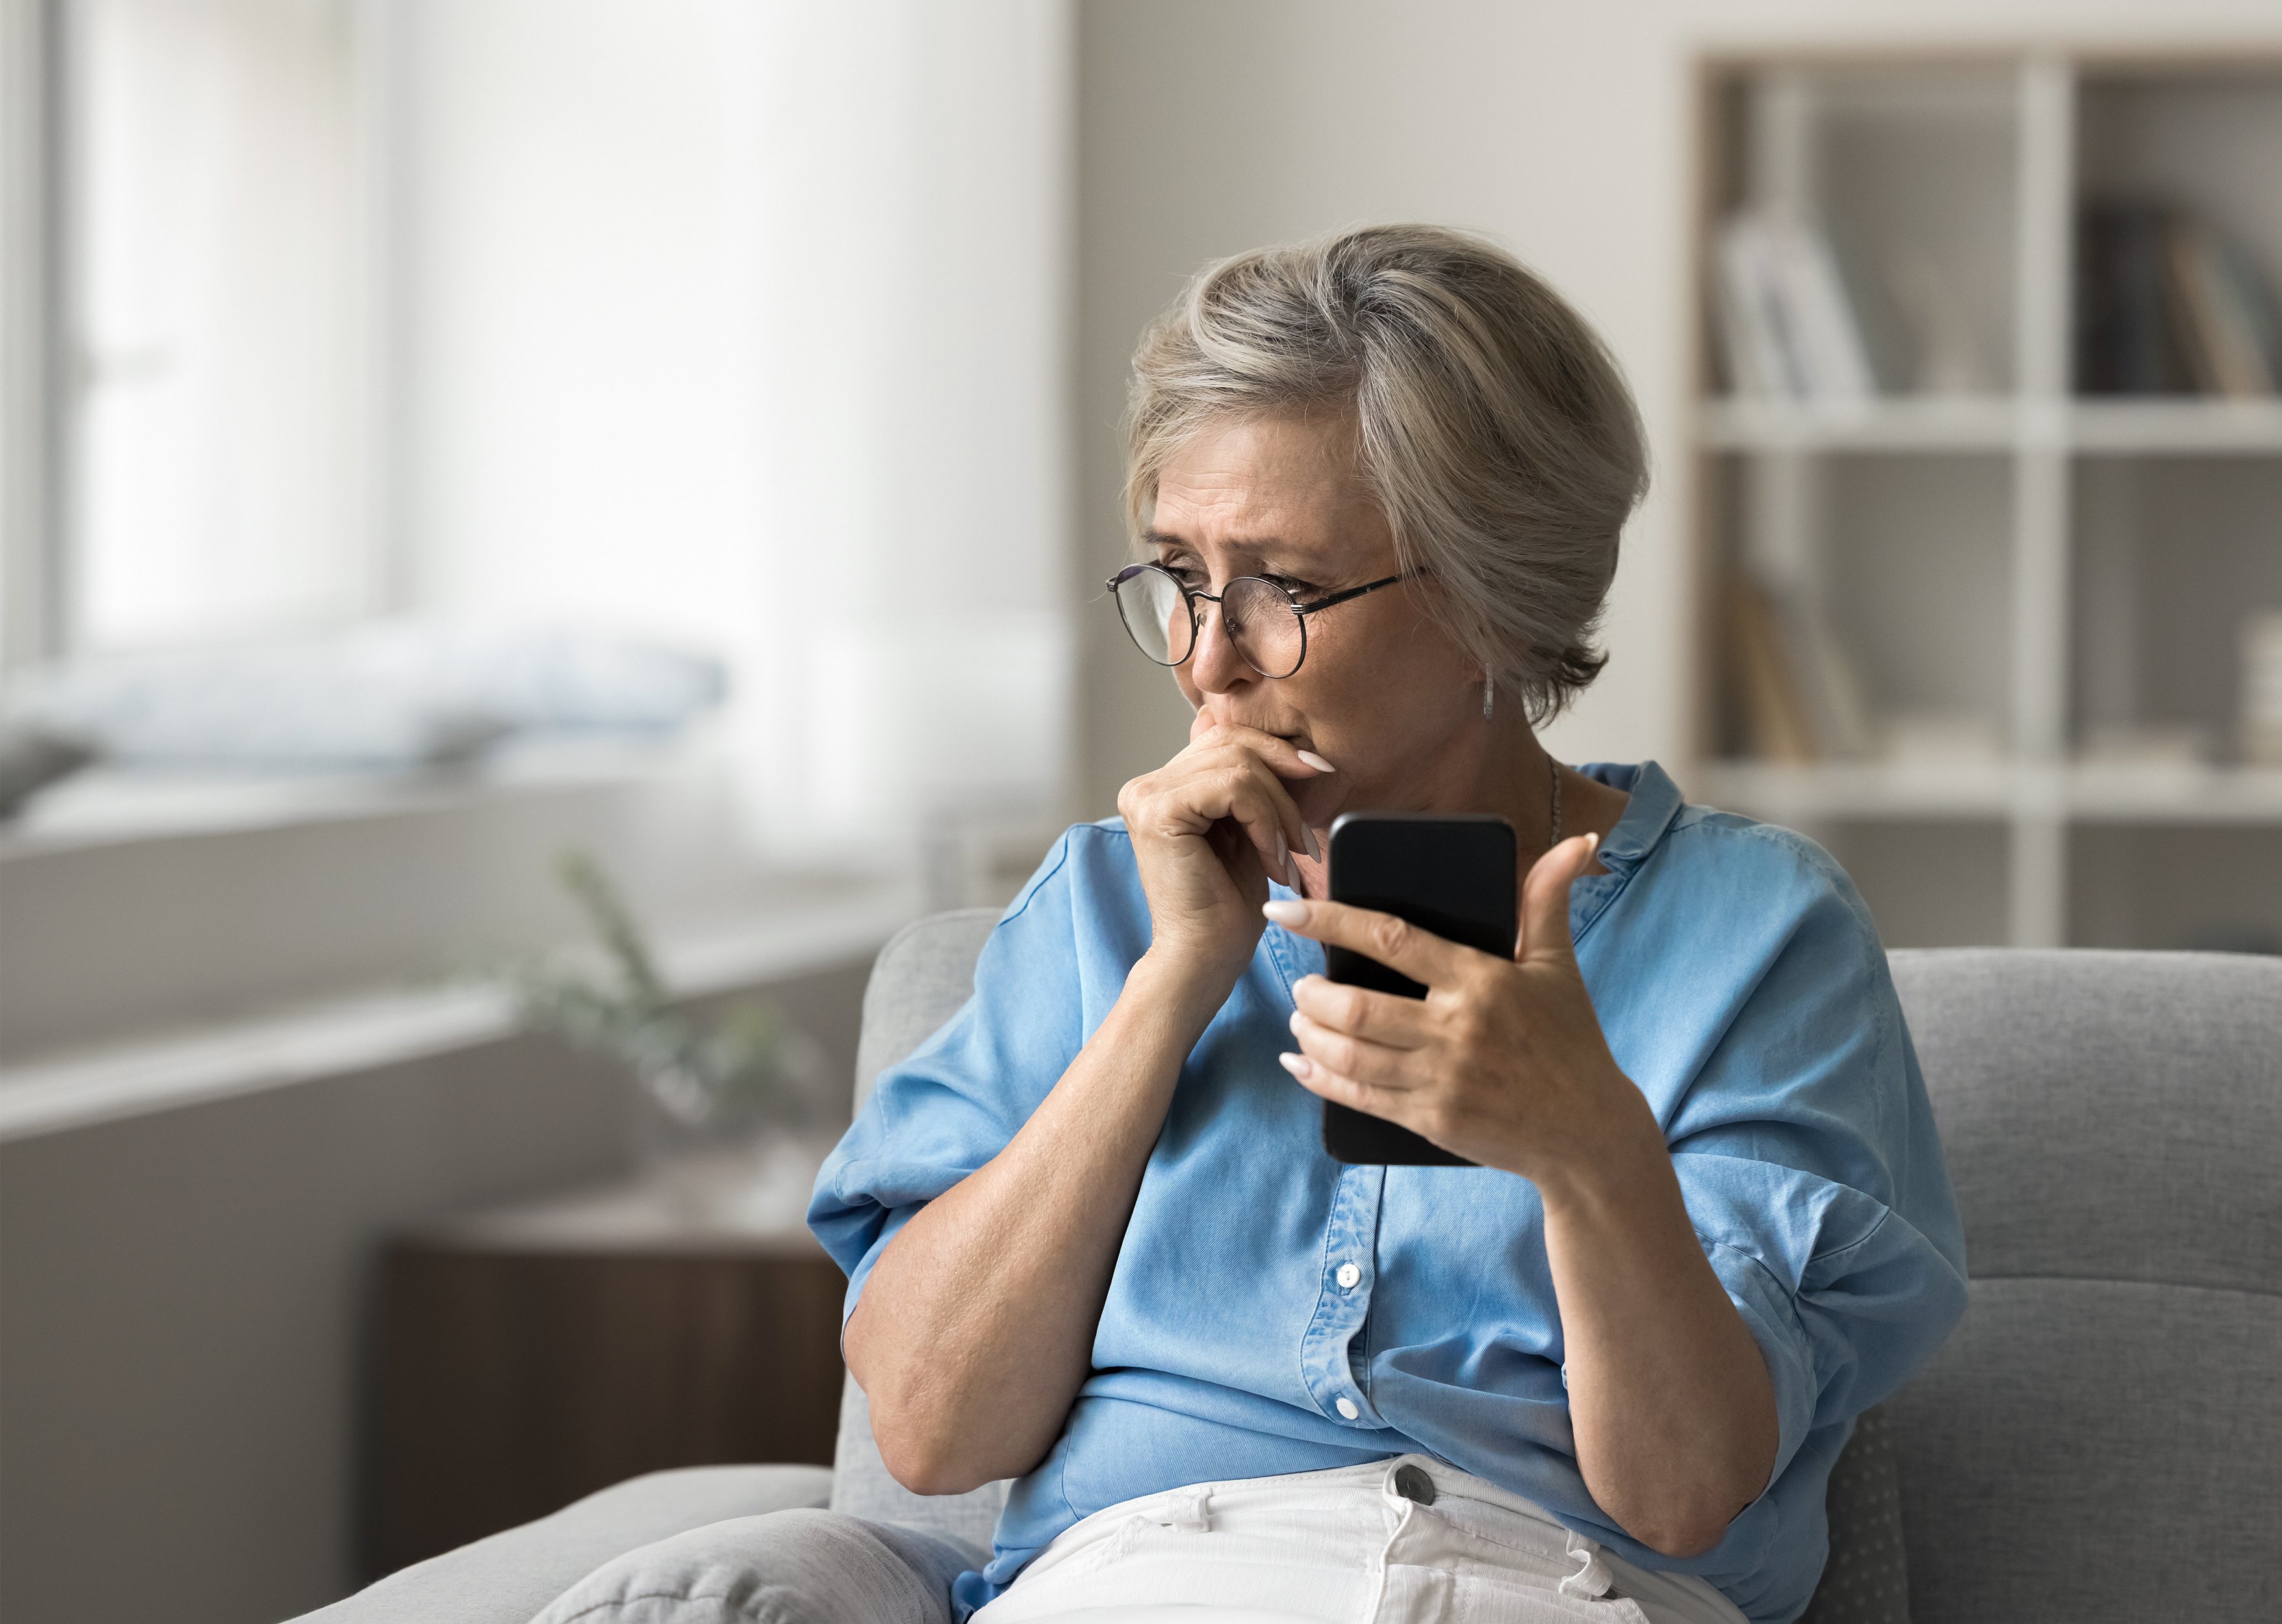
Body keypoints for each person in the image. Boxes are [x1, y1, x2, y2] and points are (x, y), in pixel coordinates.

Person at [536, 225, 1966, 1624]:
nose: (1206, 657)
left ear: (1488, 599)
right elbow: (928, 1430)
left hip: (1563, 1588)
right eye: (1178, 573)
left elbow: (1681, 1493)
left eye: (1282, 588)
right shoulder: (1102, 906)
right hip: (1143, 1580)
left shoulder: (1755, 930)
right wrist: (1171, 986)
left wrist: (1584, 1148)